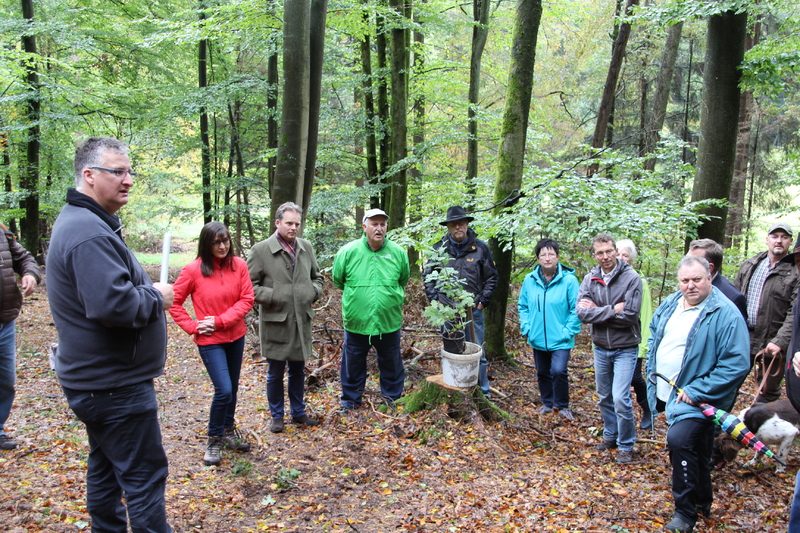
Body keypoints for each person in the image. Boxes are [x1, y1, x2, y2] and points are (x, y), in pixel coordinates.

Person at [47, 137, 174, 532]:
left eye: (129, 171)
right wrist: (156, 296)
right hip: (113, 386)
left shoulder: (87, 223)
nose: (128, 180)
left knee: (105, 470)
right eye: (117, 171)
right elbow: (114, 306)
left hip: (100, 383)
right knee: (144, 478)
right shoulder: (88, 233)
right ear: (88, 175)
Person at [645, 255, 749, 533]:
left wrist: (697, 389)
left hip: (701, 399)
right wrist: (650, 369)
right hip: (670, 393)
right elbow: (654, 334)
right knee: (700, 447)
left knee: (679, 441)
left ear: (709, 277)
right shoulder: (670, 303)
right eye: (685, 280)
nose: (691, 286)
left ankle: (685, 513)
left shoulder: (725, 313)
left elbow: (737, 363)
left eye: (697, 280)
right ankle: (704, 501)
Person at [170, 222, 254, 465]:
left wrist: (220, 321)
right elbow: (173, 303)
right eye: (217, 242)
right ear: (206, 244)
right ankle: (214, 439)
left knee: (233, 388)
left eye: (226, 240)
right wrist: (193, 326)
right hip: (210, 341)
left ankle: (228, 430)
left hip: (235, 336)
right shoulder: (193, 270)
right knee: (224, 389)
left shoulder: (239, 265)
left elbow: (247, 299)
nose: (222, 246)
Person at [248, 202, 323, 434]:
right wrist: (276, 296)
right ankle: (277, 416)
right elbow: (249, 287)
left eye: (297, 224)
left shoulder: (305, 247)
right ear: (277, 222)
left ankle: (299, 413)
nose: (293, 228)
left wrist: (312, 292)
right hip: (276, 322)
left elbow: (318, 278)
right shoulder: (260, 250)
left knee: (299, 370)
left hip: (302, 320)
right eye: (289, 223)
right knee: (275, 372)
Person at [333, 208, 410, 412]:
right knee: (353, 365)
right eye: (374, 224)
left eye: (382, 224)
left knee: (391, 363)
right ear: (364, 226)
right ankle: (350, 402)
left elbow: (404, 279)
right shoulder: (348, 252)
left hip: (388, 322)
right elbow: (338, 280)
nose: (379, 228)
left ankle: (392, 400)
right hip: (357, 322)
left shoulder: (398, 253)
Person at [577, 233, 642, 464]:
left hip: (625, 346)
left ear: (615, 251)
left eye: (608, 251)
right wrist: (613, 309)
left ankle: (627, 445)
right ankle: (610, 435)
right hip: (601, 346)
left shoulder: (631, 278)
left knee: (620, 397)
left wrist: (599, 310)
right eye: (600, 253)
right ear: (594, 255)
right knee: (604, 396)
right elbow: (582, 313)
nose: (605, 257)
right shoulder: (590, 278)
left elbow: (630, 316)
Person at [422, 206, 498, 395]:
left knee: (477, 353)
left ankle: (482, 393)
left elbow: (492, 277)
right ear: (448, 226)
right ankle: (455, 392)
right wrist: (435, 300)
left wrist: (482, 301)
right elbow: (428, 276)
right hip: (447, 312)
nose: (458, 226)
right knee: (451, 352)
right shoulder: (438, 250)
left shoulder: (480, 248)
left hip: (472, 312)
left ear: (467, 224)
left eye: (461, 223)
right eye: (453, 224)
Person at [733, 223, 799, 403]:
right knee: (729, 383)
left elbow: (796, 312)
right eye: (775, 236)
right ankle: (716, 427)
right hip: (743, 336)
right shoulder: (750, 265)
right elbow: (734, 299)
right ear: (767, 239)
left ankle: (764, 429)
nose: (779, 241)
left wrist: (780, 341)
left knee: (767, 392)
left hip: (772, 341)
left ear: (790, 242)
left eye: (784, 237)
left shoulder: (795, 271)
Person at [518, 238, 580, 420]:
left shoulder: (569, 281)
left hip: (561, 337)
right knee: (542, 371)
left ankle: (562, 406)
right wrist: (527, 327)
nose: (547, 258)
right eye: (543, 255)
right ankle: (547, 403)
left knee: (559, 370)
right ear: (537, 258)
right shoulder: (530, 280)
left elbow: (576, 309)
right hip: (537, 336)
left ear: (557, 257)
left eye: (551, 254)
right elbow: (523, 306)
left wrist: (567, 331)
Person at [0, 223, 40, 450]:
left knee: (5, 381)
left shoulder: (1, 231)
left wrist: (30, 274)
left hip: (5, 320)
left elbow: (24, 258)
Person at [616, 239, 653, 431]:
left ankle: (648, 409)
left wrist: (644, 344)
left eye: (625, 255)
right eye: (618, 254)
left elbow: (645, 314)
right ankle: (619, 418)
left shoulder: (640, 282)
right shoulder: (608, 280)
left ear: (631, 260)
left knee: (635, 378)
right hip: (613, 341)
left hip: (634, 340)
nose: (621, 258)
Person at [687, 238, 747, 320]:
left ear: (709, 268)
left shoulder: (732, 297)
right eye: (685, 259)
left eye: (691, 262)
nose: (684, 264)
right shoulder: (685, 287)